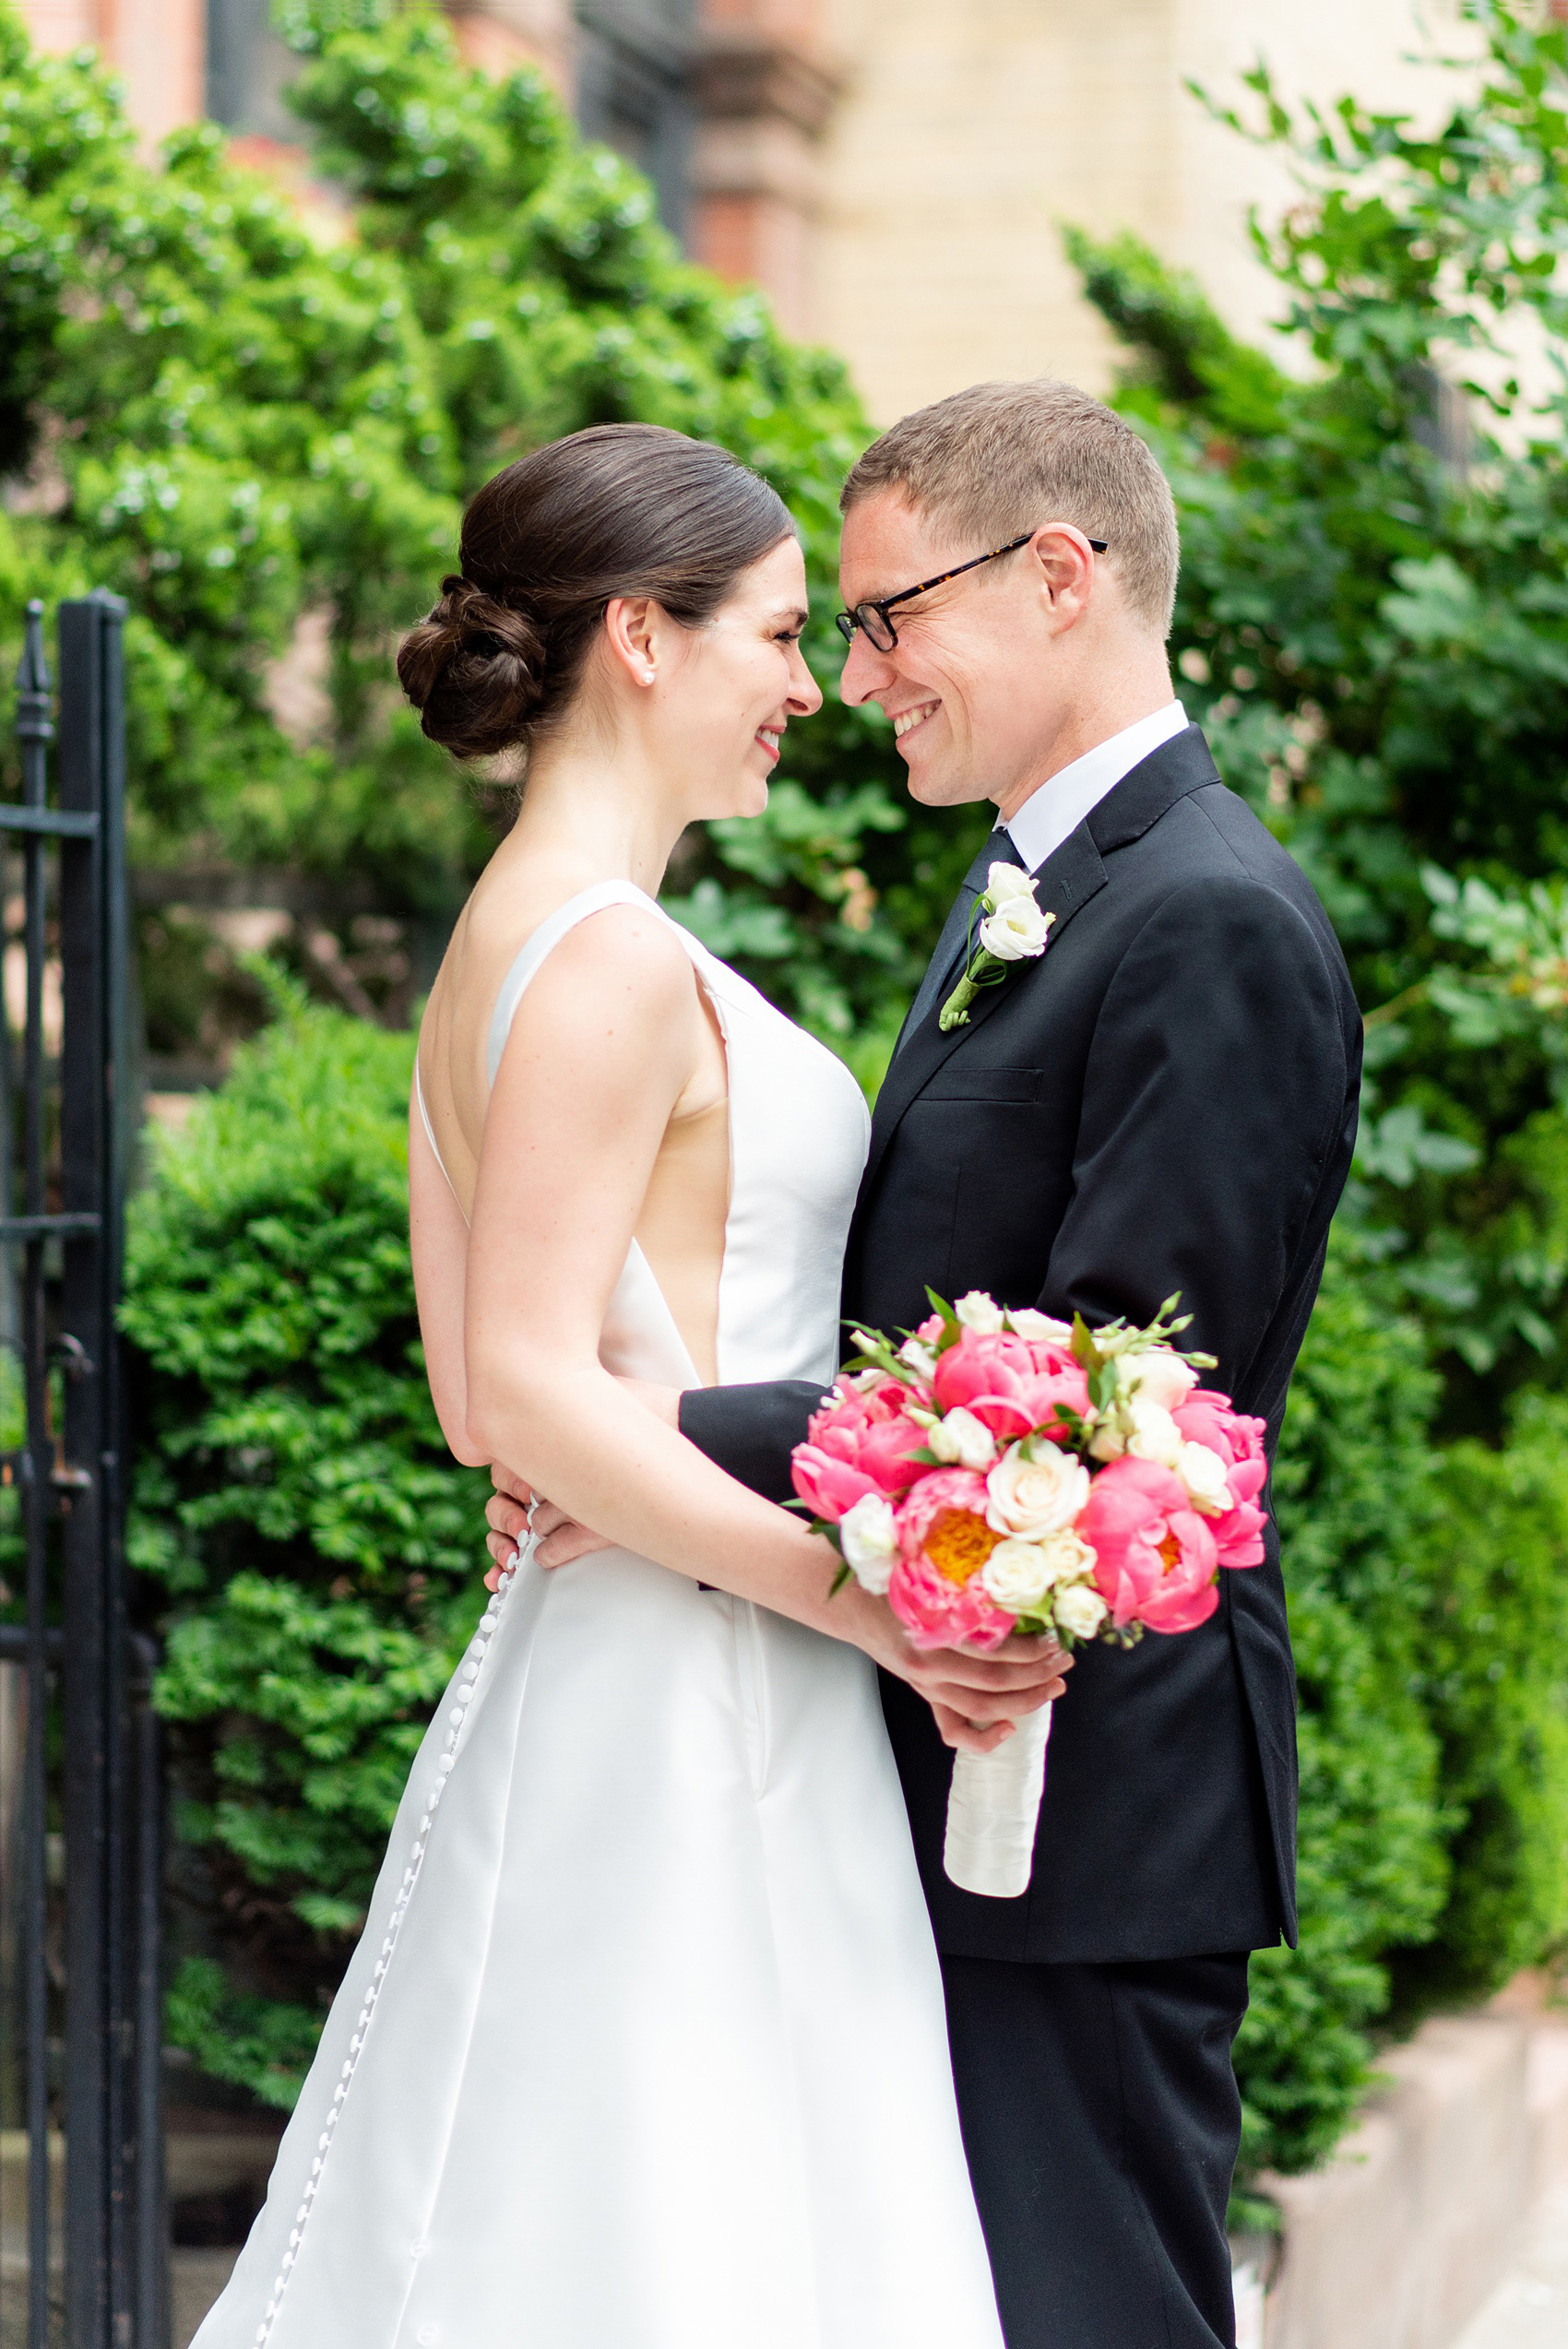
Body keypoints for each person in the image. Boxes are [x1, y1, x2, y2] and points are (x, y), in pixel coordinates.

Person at [488, 380, 1362, 2349]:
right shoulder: (1013, 886)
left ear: (1058, 575)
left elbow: (1105, 1402)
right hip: (936, 1723)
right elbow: (927, 1334)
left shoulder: (1210, 913)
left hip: (1087, 1790)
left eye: (890, 614)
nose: (861, 672)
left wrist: (643, 1440)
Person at [192, 421, 1065, 2349]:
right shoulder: (598, 961)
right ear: (642, 639)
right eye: (771, 631)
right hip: (707, 1691)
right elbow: (519, 1390)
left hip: (632, 1651)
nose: (808, 684)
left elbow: (471, 1401)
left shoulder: (494, 949)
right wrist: (881, 1612)